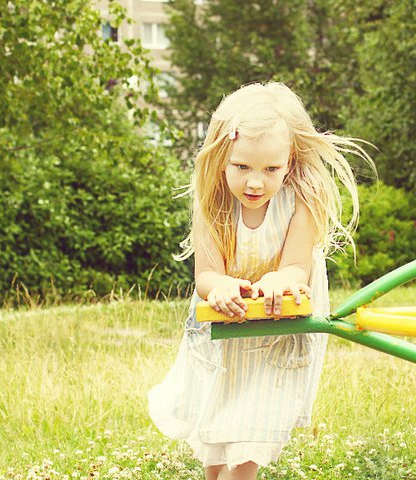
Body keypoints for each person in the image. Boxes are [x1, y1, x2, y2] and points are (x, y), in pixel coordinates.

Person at [148, 82, 373, 480]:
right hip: (226, 330)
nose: (256, 183)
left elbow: (294, 269)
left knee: (250, 431)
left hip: (277, 329)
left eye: (271, 169)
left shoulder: (302, 198)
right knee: (217, 431)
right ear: (221, 159)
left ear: (290, 161)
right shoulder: (212, 202)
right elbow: (206, 275)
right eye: (242, 167)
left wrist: (279, 280)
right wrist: (219, 286)